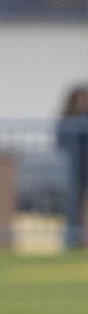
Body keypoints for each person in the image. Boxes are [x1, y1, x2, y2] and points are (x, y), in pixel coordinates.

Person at [57, 84, 88, 248]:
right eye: (81, 99)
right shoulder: (66, 120)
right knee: (72, 205)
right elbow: (60, 143)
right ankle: (71, 242)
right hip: (73, 168)